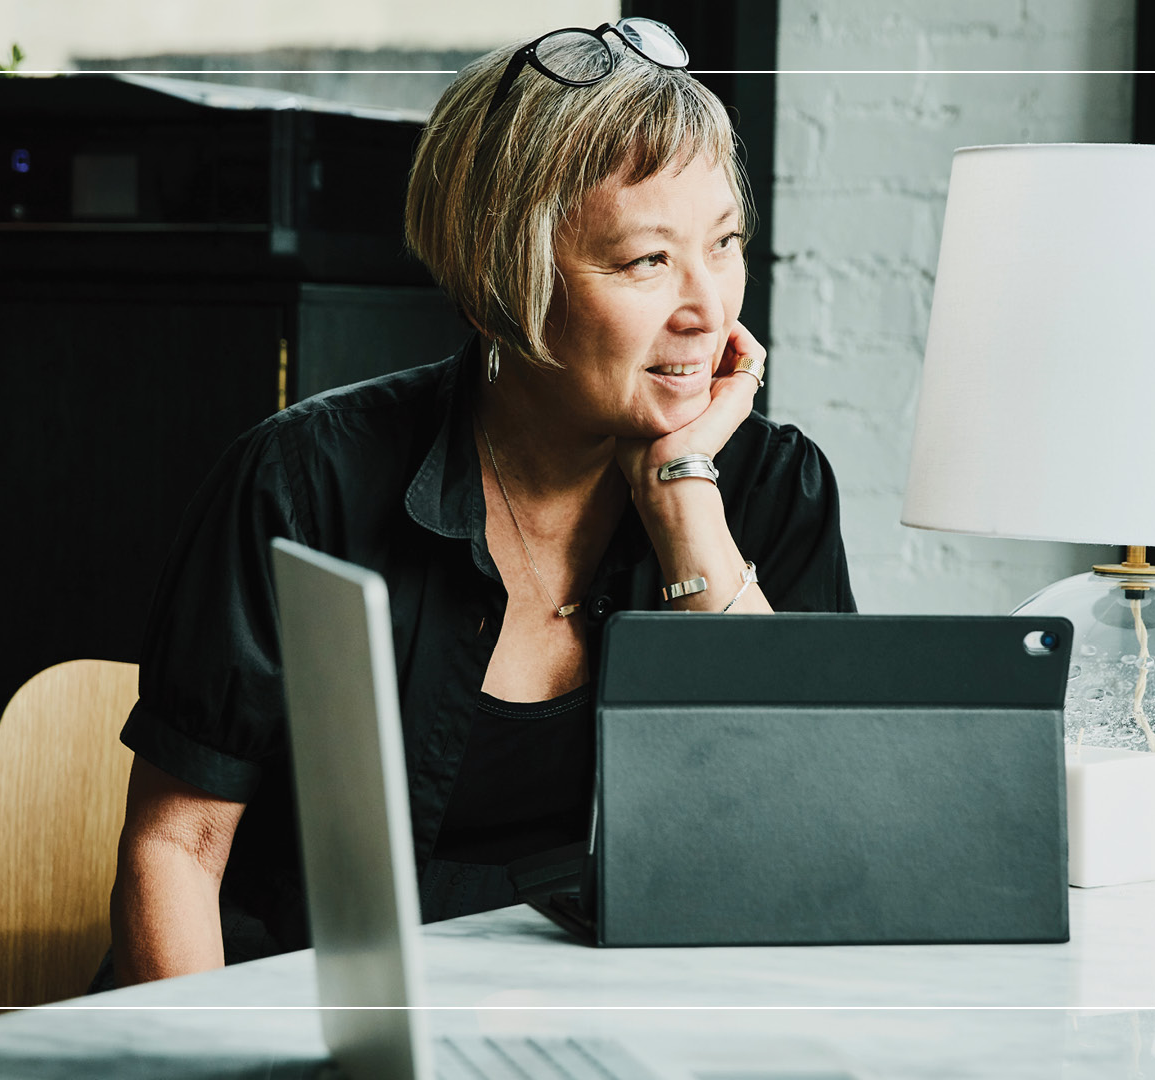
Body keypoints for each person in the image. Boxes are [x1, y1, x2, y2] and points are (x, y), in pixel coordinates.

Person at [107, 19, 856, 987]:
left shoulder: (766, 486)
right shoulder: (303, 483)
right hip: (296, 1018)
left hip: (598, 1033)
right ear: (504, 280)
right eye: (646, 262)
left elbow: (814, 831)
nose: (708, 306)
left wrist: (685, 503)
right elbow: (176, 850)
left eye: (725, 245)